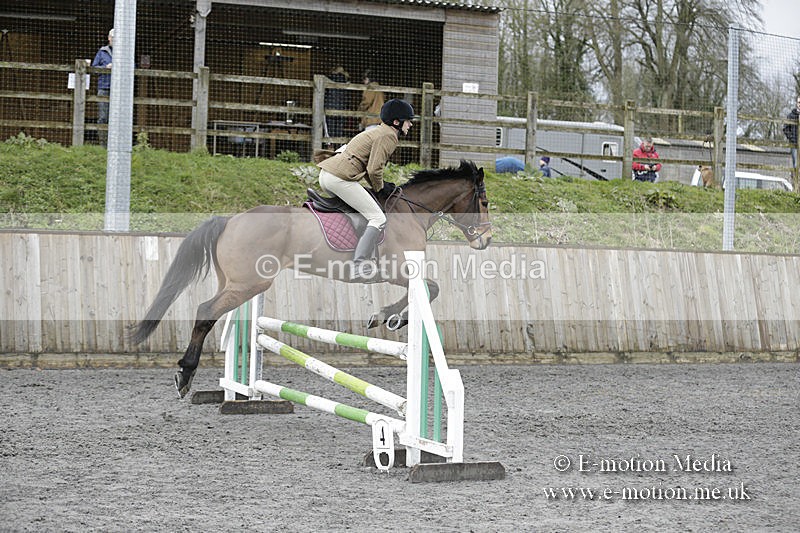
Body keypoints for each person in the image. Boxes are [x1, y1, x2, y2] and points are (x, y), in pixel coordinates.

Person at [316, 99, 414, 282]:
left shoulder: (377, 131)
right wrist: (381, 188)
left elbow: (369, 167)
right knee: (378, 218)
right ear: (396, 122)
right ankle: (358, 265)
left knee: (362, 213)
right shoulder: (389, 136)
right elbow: (374, 169)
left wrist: (380, 185)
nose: (410, 124)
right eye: (408, 120)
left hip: (328, 175)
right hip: (339, 178)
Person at [91, 28, 113, 146]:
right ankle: (103, 144)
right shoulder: (102, 52)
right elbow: (94, 68)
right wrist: (106, 67)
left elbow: (133, 66)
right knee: (103, 116)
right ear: (109, 38)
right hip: (104, 87)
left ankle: (115, 144)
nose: (114, 39)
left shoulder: (125, 52)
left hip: (120, 90)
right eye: (113, 37)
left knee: (117, 117)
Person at [324, 66, 350, 141]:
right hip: (341, 109)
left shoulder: (329, 79)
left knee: (329, 131)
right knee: (339, 131)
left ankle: (330, 148)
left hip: (330, 108)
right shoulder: (346, 81)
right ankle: (338, 148)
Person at [782, 95, 800, 170]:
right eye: (799, 102)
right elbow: (785, 128)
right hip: (794, 144)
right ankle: (795, 181)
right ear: (797, 103)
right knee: (795, 164)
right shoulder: (791, 115)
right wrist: (792, 138)